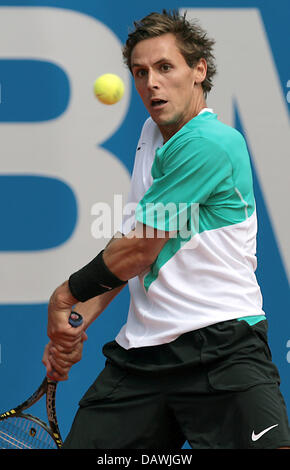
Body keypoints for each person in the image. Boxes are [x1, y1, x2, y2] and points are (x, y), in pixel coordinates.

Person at [42, 10, 290, 449]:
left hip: (222, 349)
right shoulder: (150, 135)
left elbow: (138, 251)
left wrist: (66, 296)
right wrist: (76, 323)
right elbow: (130, 247)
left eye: (164, 68)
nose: (151, 83)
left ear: (199, 70)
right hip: (142, 358)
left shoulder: (211, 143)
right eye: (140, 72)